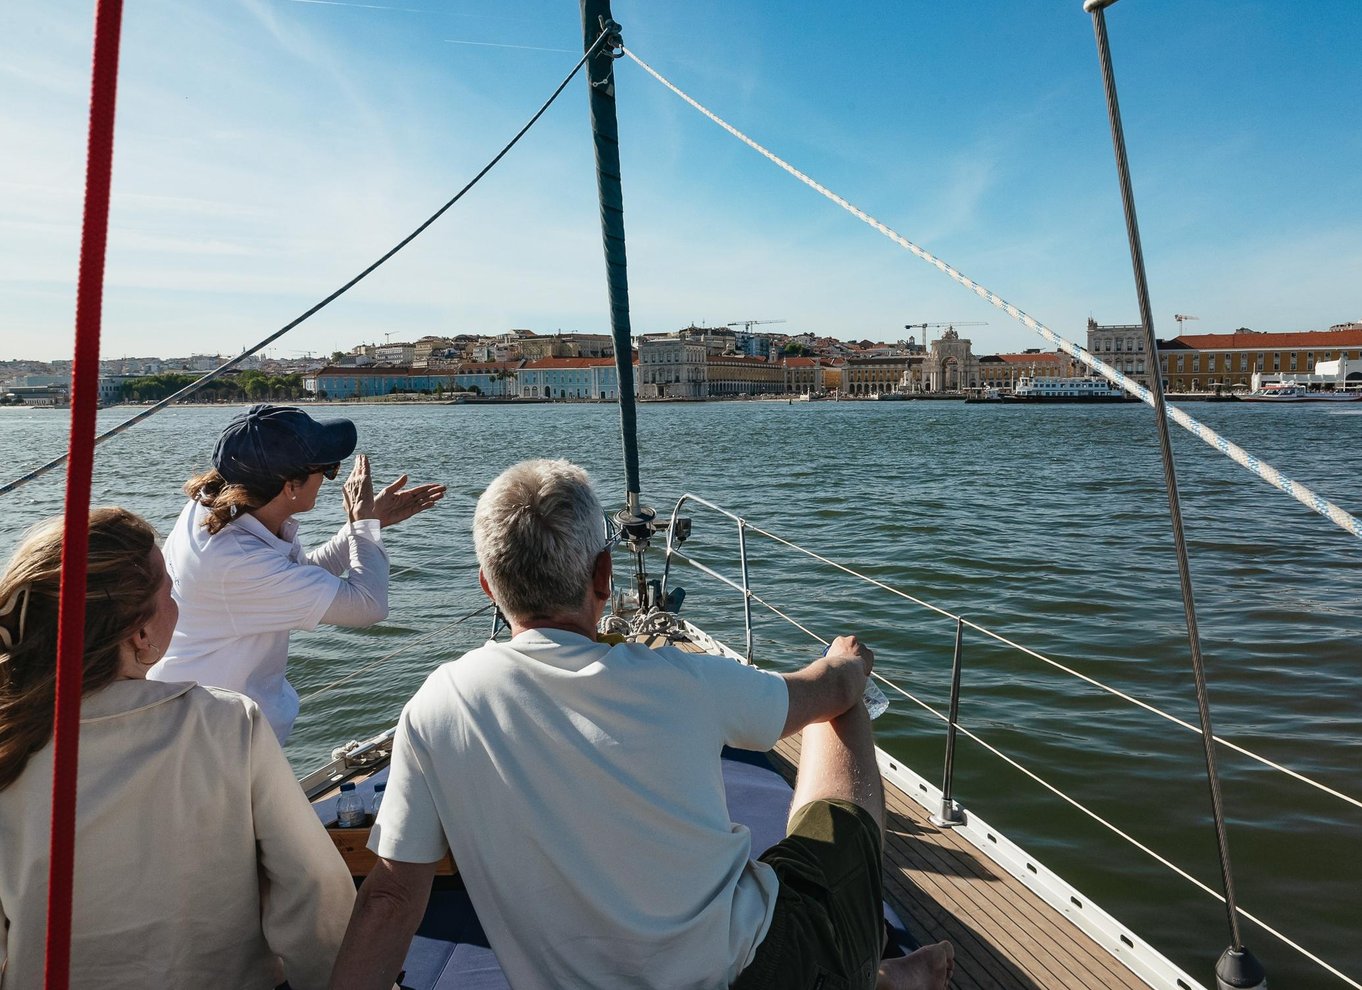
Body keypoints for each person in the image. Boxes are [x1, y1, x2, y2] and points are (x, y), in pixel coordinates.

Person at [329, 459, 954, 990]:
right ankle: (874, 969)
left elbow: (389, 900)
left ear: (487, 586)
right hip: (752, 970)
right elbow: (826, 691)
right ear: (604, 576)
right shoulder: (680, 679)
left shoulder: (436, 706)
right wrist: (844, 663)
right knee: (836, 738)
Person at [0, 507, 356, 988]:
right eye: (170, 590)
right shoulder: (227, 724)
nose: (178, 602)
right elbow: (315, 893)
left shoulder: (12, 745)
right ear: (142, 635)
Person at [149, 403, 445, 742]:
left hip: (203, 722)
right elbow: (369, 606)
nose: (330, 477)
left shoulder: (213, 510)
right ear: (291, 486)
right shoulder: (237, 561)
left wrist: (366, 525)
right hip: (214, 741)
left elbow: (294, 577)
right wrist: (363, 526)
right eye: (329, 469)